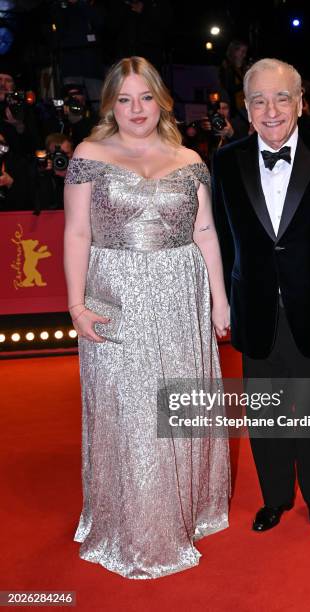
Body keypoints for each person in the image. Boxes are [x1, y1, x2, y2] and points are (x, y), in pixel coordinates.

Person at [64, 56, 231, 579]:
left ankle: (188, 508)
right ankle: (138, 531)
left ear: (162, 99)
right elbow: (76, 234)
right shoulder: (90, 153)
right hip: (117, 293)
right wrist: (76, 305)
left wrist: (220, 300)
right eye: (123, 99)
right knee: (134, 411)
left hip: (183, 293)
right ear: (110, 103)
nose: (136, 110)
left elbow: (205, 232)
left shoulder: (188, 157)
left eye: (145, 97)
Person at [213, 58, 310, 533]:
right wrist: (222, 301)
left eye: (281, 97)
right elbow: (218, 236)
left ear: (300, 101)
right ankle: (275, 497)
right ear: (246, 106)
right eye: (258, 99)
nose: (270, 109)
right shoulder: (225, 159)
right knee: (267, 417)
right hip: (254, 312)